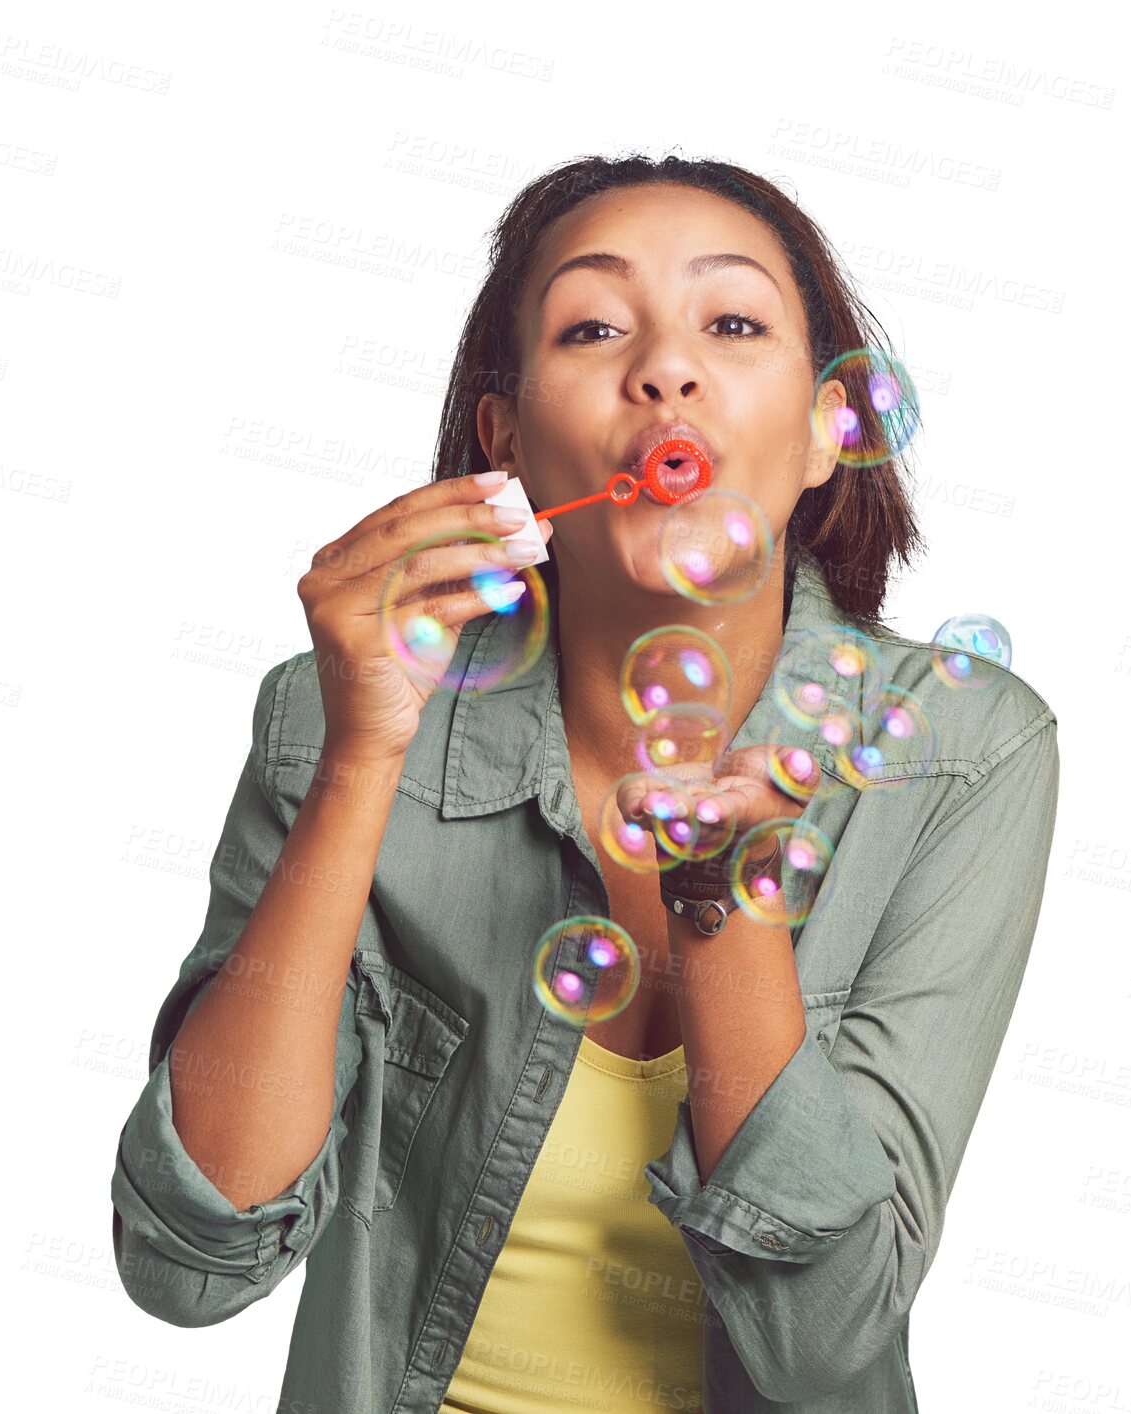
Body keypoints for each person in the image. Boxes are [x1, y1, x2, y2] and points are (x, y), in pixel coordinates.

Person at [110, 153, 1062, 1414]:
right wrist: (360, 756)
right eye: (594, 326)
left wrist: (726, 906)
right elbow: (191, 1258)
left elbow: (823, 1344)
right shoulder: (337, 707)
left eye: (730, 323)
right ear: (506, 443)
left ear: (829, 431)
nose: (664, 369)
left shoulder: (958, 745)